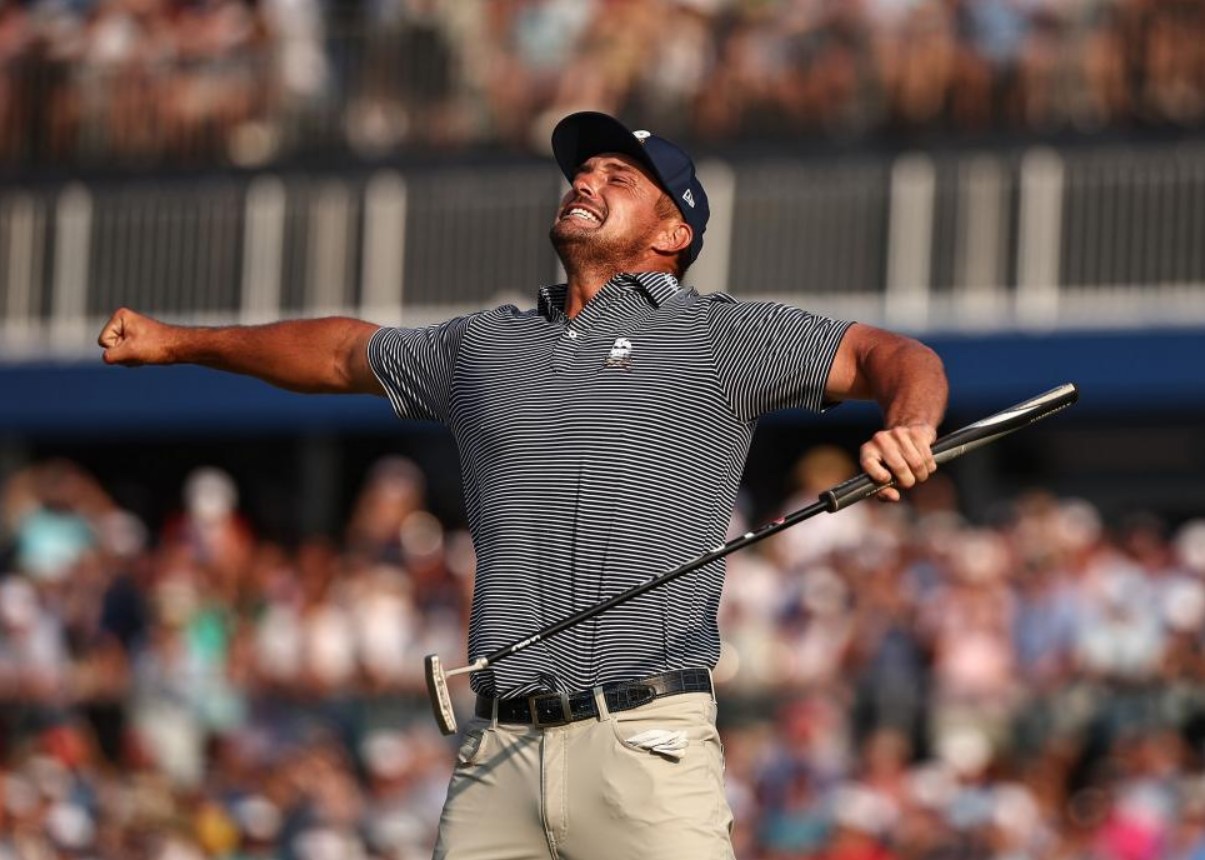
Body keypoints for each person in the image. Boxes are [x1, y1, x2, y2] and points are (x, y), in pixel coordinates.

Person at [98, 111, 948, 860]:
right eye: (582, 171)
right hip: (496, 750)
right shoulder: (484, 346)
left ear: (672, 233)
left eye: (619, 177)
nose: (586, 180)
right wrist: (179, 342)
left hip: (646, 746)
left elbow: (896, 357)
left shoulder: (720, 336)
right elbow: (336, 354)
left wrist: (909, 423)